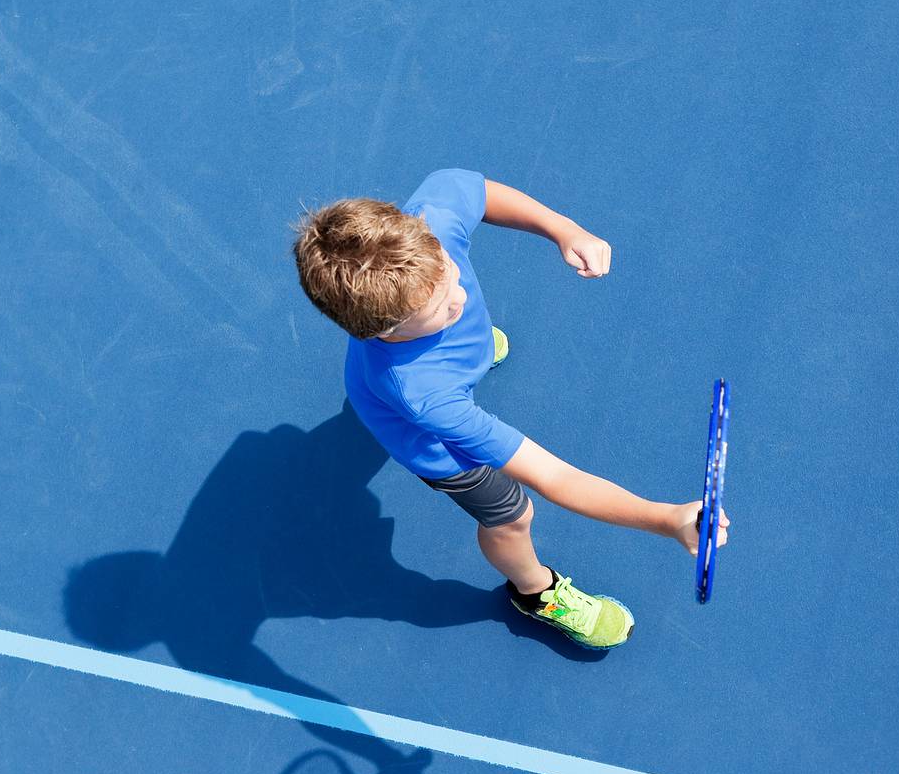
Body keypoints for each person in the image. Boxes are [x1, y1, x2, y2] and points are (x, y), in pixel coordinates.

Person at [291, 169, 729, 649]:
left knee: (471, 341)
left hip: (434, 374)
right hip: (430, 441)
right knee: (513, 515)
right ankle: (535, 592)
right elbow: (557, 478)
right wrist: (666, 519)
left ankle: (473, 356)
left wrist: (564, 229)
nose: (459, 297)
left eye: (451, 275)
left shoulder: (426, 225)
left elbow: (476, 191)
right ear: (382, 330)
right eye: (442, 312)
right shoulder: (428, 399)